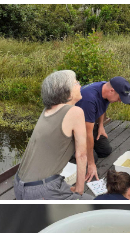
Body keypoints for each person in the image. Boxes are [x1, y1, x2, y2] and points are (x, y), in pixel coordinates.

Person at [14, 70, 92, 200]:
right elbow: (82, 155)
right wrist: (79, 190)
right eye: (75, 83)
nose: (79, 85)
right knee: (93, 204)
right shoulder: (75, 111)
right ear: (66, 91)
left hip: (19, 185)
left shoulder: (47, 110)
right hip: (41, 190)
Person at [75, 76, 130, 181]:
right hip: (74, 130)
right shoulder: (89, 99)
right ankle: (72, 151)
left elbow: (102, 106)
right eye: (119, 97)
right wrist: (91, 164)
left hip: (89, 123)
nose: (119, 101)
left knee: (105, 150)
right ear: (112, 91)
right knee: (93, 159)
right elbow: (87, 135)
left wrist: (101, 126)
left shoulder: (105, 89)